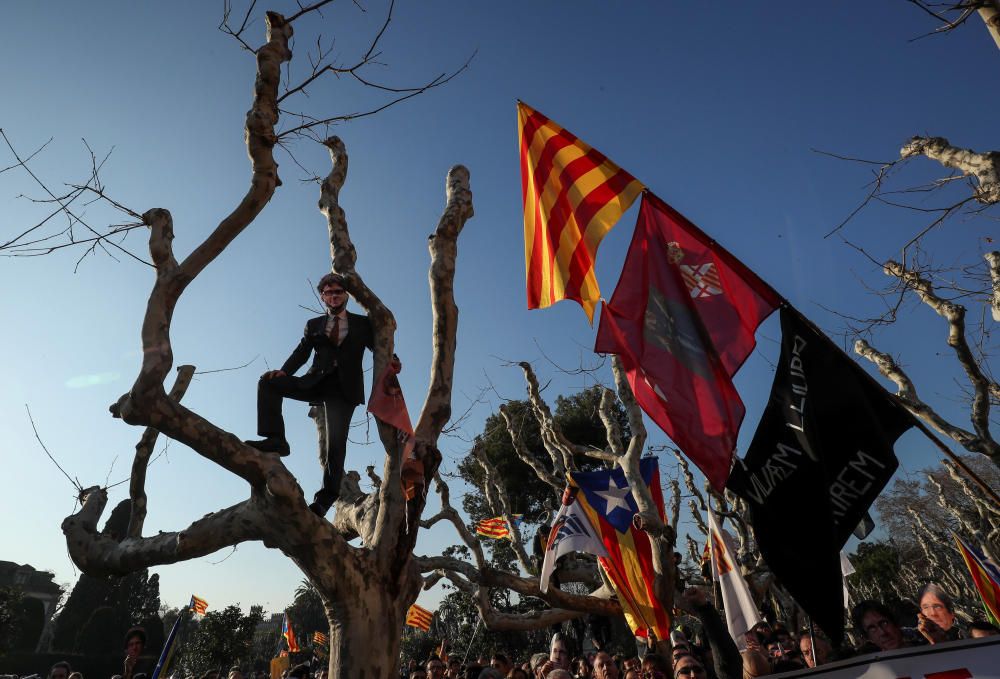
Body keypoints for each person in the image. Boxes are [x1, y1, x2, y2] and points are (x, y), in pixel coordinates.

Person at [246, 273, 382, 517]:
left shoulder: (362, 324)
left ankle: (324, 501)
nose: (333, 296)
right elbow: (301, 352)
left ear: (345, 295)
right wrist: (284, 372)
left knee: (335, 448)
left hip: (344, 391)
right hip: (315, 382)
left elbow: (379, 349)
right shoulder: (314, 325)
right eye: (328, 293)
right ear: (323, 297)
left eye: (338, 292)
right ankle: (276, 439)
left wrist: (393, 361)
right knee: (267, 383)